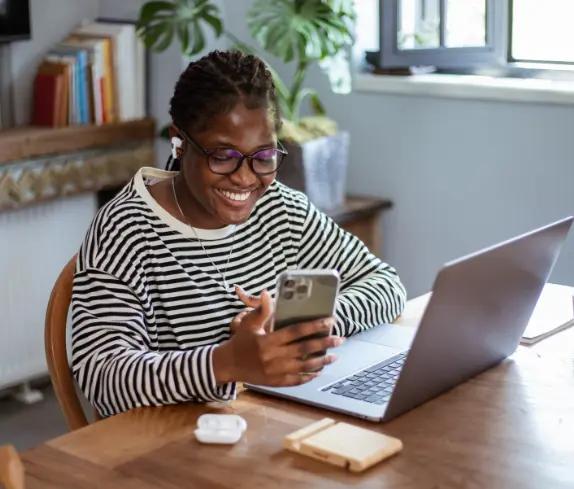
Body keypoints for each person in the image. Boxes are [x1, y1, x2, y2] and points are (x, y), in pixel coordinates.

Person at [71, 50, 406, 417]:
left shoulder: (279, 208)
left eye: (263, 157)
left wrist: (304, 327)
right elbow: (101, 376)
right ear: (179, 143)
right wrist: (226, 362)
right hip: (164, 446)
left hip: (257, 426)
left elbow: (385, 283)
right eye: (223, 156)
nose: (245, 178)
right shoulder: (126, 230)